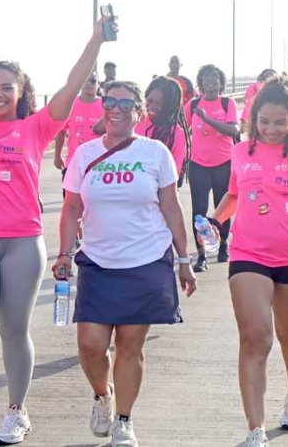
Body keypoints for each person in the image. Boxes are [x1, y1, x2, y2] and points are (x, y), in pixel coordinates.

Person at [0, 0, 113, 447]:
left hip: (22, 242)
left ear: (20, 91)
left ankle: (16, 411)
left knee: (14, 330)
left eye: (5, 88)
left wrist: (97, 40)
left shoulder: (37, 126)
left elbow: (73, 84)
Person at [52, 80, 196, 447]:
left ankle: (124, 420)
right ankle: (103, 395)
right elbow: (71, 208)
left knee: (131, 345)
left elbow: (171, 207)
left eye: (125, 103)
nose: (115, 108)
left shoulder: (155, 152)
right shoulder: (84, 154)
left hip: (146, 260)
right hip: (99, 261)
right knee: (90, 344)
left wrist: (184, 259)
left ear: (139, 111)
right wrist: (64, 253)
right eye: (110, 101)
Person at [207, 53, 288, 447]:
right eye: (264, 121)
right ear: (253, 117)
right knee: (254, 338)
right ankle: (255, 429)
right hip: (248, 255)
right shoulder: (240, 151)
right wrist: (215, 221)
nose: (271, 129)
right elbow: (234, 195)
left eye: (280, 122)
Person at [185, 64, 239, 271]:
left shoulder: (227, 103)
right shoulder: (192, 105)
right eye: (206, 80)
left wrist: (207, 119)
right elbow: (182, 128)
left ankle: (223, 246)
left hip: (224, 164)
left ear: (221, 83)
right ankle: (201, 255)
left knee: (221, 209)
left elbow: (233, 130)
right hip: (198, 165)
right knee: (198, 211)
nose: (211, 84)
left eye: (215, 79)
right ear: (200, 83)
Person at [137, 76, 191, 183]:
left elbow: (173, 174)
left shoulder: (176, 133)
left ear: (169, 107)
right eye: (150, 100)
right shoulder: (135, 120)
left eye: (159, 104)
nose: (152, 106)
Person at [54, 71, 104, 177]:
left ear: (98, 84)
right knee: (69, 194)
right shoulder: (70, 104)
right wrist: (57, 156)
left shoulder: (105, 106)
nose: (89, 83)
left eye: (93, 81)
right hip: (73, 163)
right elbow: (61, 132)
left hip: (98, 165)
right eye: (85, 80)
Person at [241, 69, 278, 134]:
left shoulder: (253, 87)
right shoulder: (254, 88)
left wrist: (244, 120)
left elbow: (247, 102)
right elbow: (249, 103)